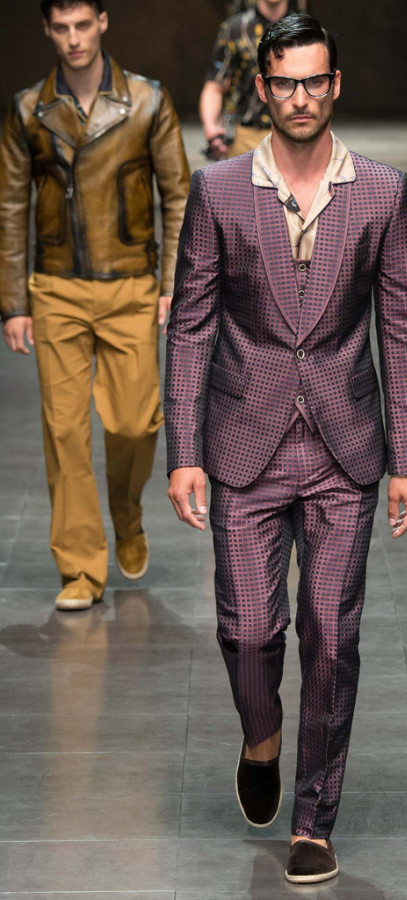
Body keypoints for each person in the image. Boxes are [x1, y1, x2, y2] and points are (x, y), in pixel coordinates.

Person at [166, 13, 407, 884]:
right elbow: (192, 323)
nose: (302, 96)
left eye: (316, 80)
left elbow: (400, 327)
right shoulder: (219, 191)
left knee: (332, 637)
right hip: (245, 441)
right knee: (246, 632)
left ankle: (314, 820)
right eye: (285, 82)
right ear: (263, 89)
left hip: (346, 448)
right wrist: (184, 448)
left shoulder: (382, 192)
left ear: (335, 85)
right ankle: (262, 738)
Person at [0, 0, 190, 611]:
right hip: (55, 287)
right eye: (61, 28)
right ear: (47, 30)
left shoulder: (147, 102)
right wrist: (13, 301)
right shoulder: (28, 109)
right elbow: (11, 207)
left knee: (135, 423)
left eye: (83, 25)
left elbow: (179, 197)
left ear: (103, 22)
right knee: (64, 434)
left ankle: (126, 514)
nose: (74, 38)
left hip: (131, 284)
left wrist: (173, 283)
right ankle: (80, 568)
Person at [200, 0, 292, 160]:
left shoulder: (304, 30)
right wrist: (211, 128)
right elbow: (215, 85)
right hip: (242, 136)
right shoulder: (235, 29)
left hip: (291, 131)